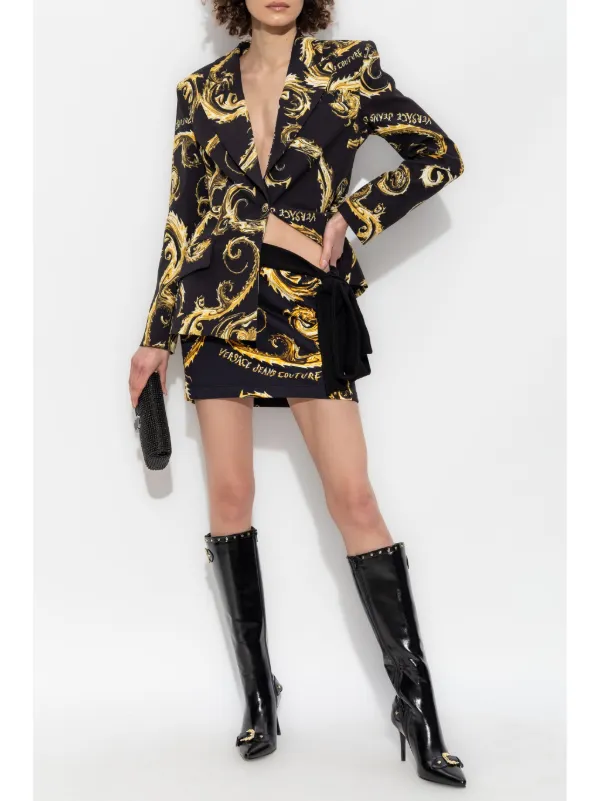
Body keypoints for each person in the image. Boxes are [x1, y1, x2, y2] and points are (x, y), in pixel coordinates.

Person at [129, 0, 465, 785]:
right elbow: (182, 218)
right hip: (217, 309)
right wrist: (154, 335)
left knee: (355, 499)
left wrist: (353, 214)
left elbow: (438, 154)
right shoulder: (200, 91)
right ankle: (260, 696)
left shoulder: (348, 71)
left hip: (310, 309)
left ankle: (419, 709)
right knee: (230, 496)